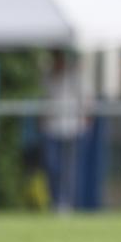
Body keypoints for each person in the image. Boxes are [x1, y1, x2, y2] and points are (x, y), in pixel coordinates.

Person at [42, 50, 89, 211]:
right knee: (52, 166)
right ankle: (56, 201)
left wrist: (84, 123)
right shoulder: (47, 77)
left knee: (69, 169)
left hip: (71, 128)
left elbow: (87, 101)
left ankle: (67, 203)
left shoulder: (75, 77)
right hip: (52, 128)